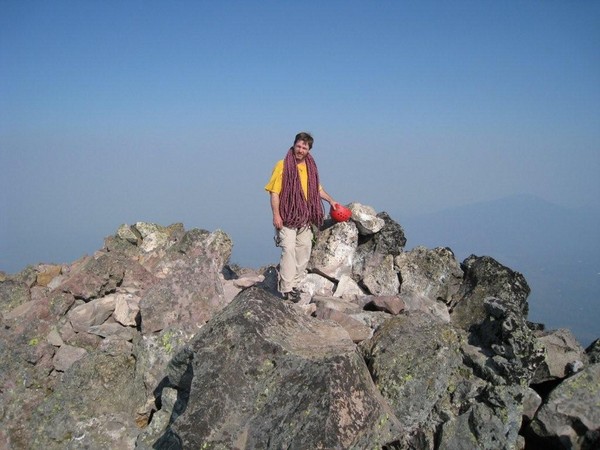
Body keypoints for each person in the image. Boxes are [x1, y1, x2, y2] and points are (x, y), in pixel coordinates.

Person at [265, 132, 339, 302]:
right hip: (286, 216)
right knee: (288, 250)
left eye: (304, 147)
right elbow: (274, 193)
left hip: (305, 217)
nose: (300, 150)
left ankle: (295, 283)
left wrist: (331, 201)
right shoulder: (282, 165)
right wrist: (276, 215)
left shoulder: (310, 167)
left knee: (304, 249)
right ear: (294, 145)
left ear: (309, 149)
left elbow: (317, 189)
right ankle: (287, 288)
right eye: (298, 146)